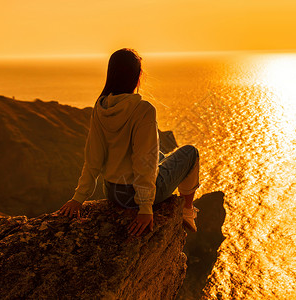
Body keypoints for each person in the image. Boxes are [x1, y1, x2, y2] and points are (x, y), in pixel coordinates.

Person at [58, 48, 200, 236]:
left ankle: (178, 203)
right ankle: (187, 210)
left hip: (112, 191)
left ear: (111, 73)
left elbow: (93, 158)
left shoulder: (101, 106)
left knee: (159, 155)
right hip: (132, 197)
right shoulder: (143, 110)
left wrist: (78, 198)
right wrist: (145, 208)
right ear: (137, 75)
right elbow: (144, 162)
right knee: (190, 152)